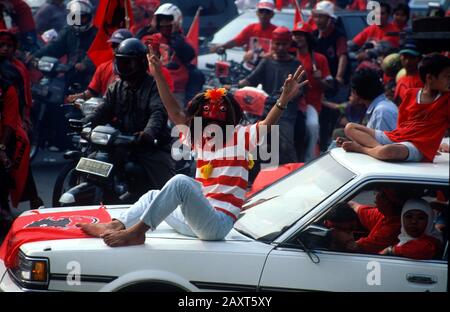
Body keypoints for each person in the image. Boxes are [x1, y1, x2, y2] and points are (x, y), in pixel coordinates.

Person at [77, 48, 308, 246]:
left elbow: (268, 123)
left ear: (228, 121)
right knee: (152, 195)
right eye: (207, 122)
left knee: (181, 182)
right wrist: (157, 73)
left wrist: (283, 99)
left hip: (217, 226)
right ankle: (116, 224)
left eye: (217, 122)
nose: (211, 126)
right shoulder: (200, 139)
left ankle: (138, 233)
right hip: (196, 220)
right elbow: (175, 113)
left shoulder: (241, 136)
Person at [82, 38, 175, 194]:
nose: (124, 66)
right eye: (121, 62)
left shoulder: (153, 86)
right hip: (121, 142)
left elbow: (157, 113)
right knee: (92, 158)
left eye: (128, 63)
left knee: (166, 184)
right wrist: (85, 122)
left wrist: (147, 133)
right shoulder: (116, 87)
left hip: (149, 146)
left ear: (141, 63)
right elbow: (104, 109)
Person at [341, 53, 450, 163]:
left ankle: (362, 149)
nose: (449, 80)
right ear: (430, 78)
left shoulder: (447, 100)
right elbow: (401, 123)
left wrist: (437, 144)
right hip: (395, 137)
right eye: (447, 77)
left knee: (388, 151)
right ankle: (378, 150)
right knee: (349, 127)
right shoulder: (411, 94)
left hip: (417, 146)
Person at [239, 26, 305, 164]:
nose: (280, 47)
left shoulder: (296, 64)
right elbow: (251, 80)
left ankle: (293, 170)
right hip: (264, 109)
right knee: (251, 141)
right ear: (272, 44)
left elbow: (299, 90)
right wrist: (236, 84)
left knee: (286, 146)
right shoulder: (266, 61)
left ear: (289, 44)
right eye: (277, 44)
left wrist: (288, 94)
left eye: (284, 44)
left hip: (286, 112)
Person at [0, 30, 43, 210]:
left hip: (13, 119)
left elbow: (25, 95)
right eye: (1, 45)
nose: (4, 49)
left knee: (19, 156)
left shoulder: (18, 68)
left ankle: (32, 198)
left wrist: (25, 118)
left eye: (9, 46)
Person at [137, 3, 200, 105]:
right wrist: (147, 29)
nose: (164, 24)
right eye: (161, 21)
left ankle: (195, 121)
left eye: (167, 21)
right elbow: (139, 46)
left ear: (176, 21)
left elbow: (188, 54)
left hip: (177, 92)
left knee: (184, 117)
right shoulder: (155, 38)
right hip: (156, 88)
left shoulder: (183, 40)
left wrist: (175, 34)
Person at [30, 0, 97, 90]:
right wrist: (34, 56)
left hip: (92, 78)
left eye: (83, 17)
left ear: (89, 17)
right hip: (70, 75)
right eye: (75, 17)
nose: (79, 21)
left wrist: (86, 64)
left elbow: (99, 52)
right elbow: (54, 46)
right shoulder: (69, 31)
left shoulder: (96, 33)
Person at [311, 1, 350, 151]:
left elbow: (342, 56)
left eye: (322, 17)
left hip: (335, 83)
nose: (318, 20)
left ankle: (331, 146)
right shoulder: (314, 35)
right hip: (320, 82)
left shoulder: (338, 35)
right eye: (316, 17)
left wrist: (338, 77)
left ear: (329, 18)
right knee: (321, 116)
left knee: (334, 115)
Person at [292, 21, 332, 161]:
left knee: (312, 126)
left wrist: (320, 79)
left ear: (308, 37)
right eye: (295, 34)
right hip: (290, 103)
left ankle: (309, 160)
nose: (297, 37)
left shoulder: (319, 59)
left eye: (301, 34)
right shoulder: (288, 56)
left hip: (310, 104)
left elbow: (329, 85)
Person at [333, 186, 409, 254]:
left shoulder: (393, 229)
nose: (375, 196)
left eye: (380, 194)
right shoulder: (386, 215)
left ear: (388, 202)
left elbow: (353, 246)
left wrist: (335, 232)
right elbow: (353, 205)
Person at [66, 28, 134, 102]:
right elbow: (92, 92)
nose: (115, 48)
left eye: (119, 45)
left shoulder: (137, 69)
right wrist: (79, 96)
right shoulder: (103, 68)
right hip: (107, 110)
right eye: (113, 45)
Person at [210, 0, 277, 65]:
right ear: (257, 13)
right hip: (250, 68)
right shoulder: (251, 28)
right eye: (261, 11)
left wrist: (264, 55)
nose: (264, 15)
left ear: (272, 14)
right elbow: (236, 41)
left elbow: (282, 50)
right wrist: (222, 46)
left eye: (267, 12)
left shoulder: (277, 32)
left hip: (270, 68)